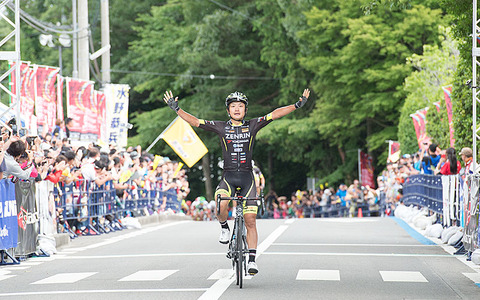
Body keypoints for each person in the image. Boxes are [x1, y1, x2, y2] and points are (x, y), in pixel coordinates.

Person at [163, 88, 310, 275]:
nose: (237, 109)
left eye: (241, 106)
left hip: (248, 179)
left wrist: (296, 106)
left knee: (250, 220)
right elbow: (196, 122)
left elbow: (274, 114)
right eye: (233, 106)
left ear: (245, 110)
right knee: (221, 203)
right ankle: (224, 227)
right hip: (228, 177)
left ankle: (251, 260)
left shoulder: (253, 125)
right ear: (228, 110)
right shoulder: (221, 127)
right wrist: (177, 110)